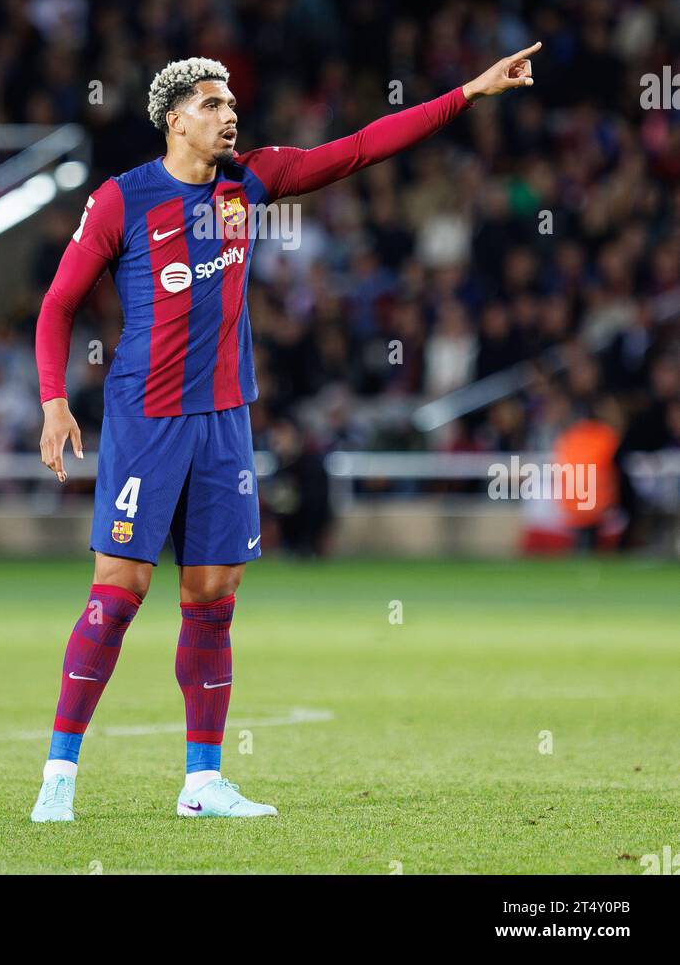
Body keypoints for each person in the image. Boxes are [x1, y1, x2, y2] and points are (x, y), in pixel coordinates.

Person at [31, 44, 540, 821]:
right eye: (212, 104)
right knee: (117, 596)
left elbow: (363, 146)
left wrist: (468, 93)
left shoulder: (251, 181)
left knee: (213, 600)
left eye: (232, 103)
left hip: (227, 421)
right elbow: (57, 304)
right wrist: (54, 401)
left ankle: (202, 782)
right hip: (147, 419)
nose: (229, 114)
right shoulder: (121, 201)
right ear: (174, 121)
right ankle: (59, 776)